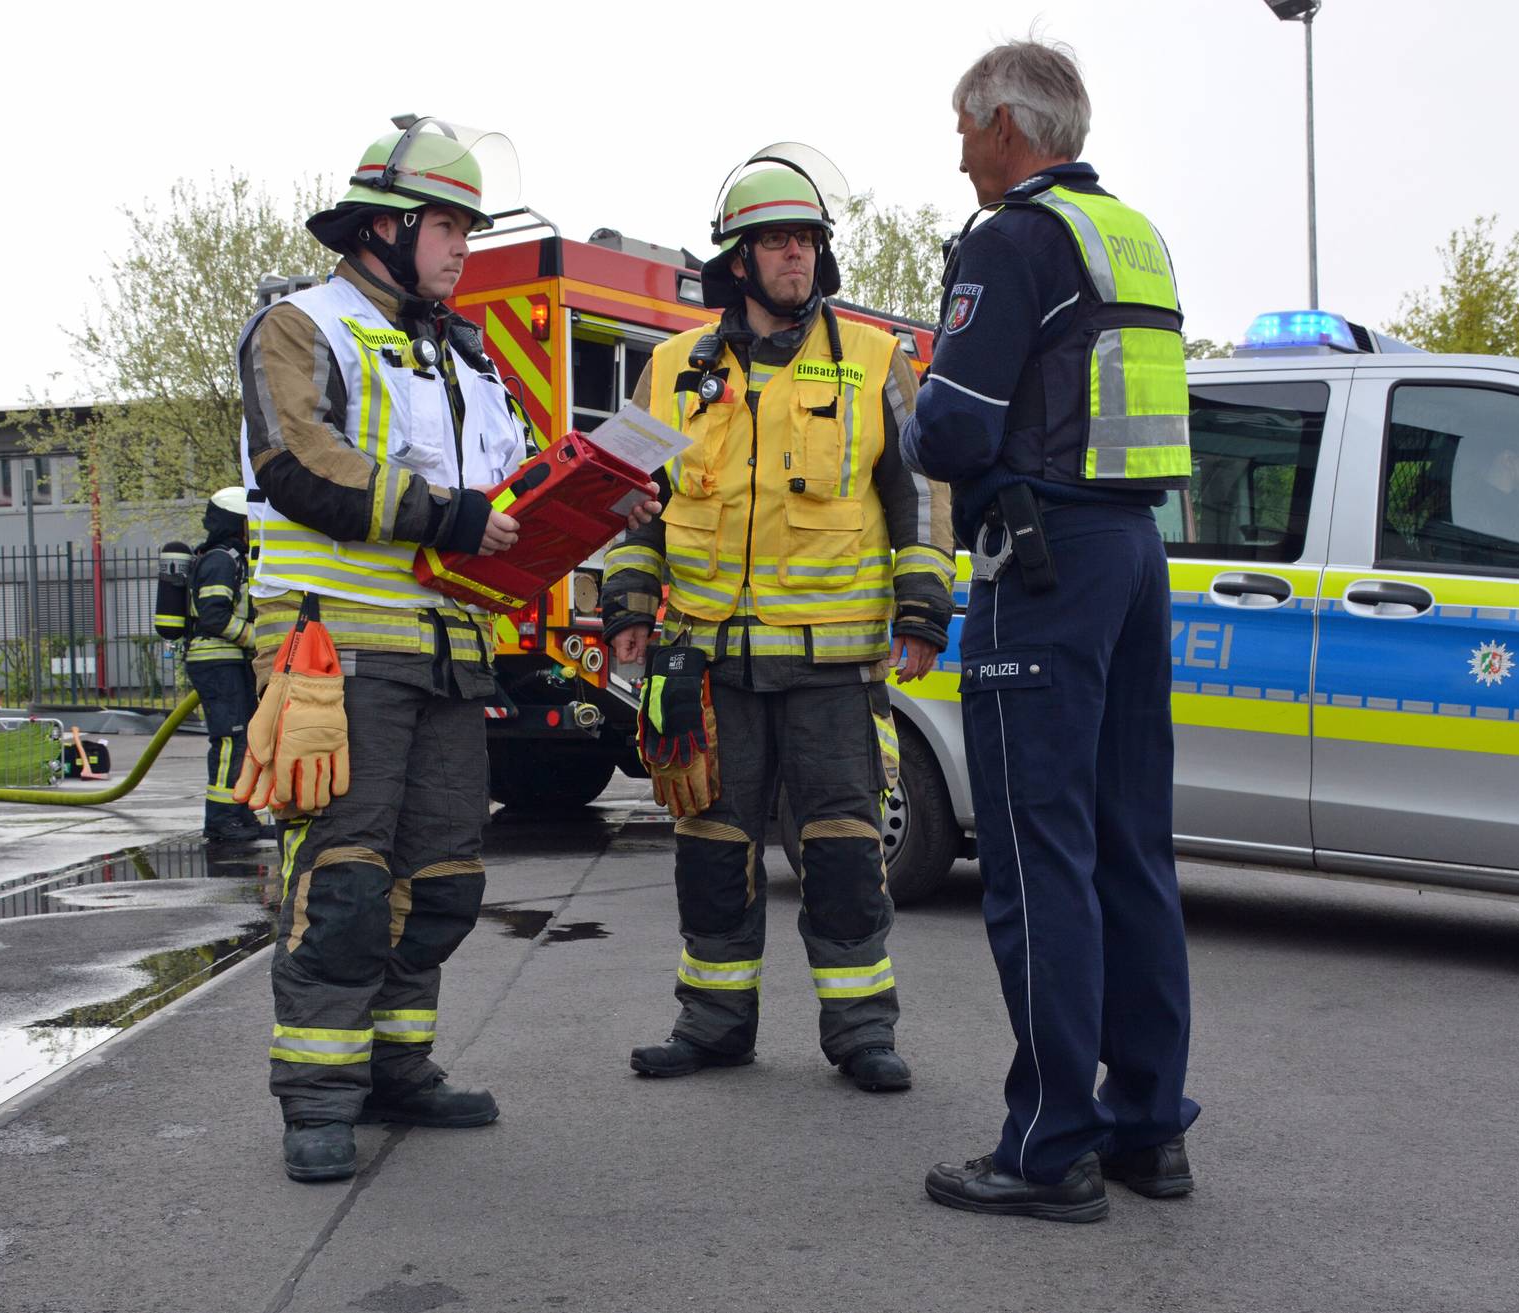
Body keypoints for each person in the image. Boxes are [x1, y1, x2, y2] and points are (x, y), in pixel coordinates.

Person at [238, 119, 658, 1182]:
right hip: (338, 655)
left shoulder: (467, 355)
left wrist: (600, 501)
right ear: (384, 226)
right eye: (447, 224)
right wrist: (446, 513)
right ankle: (320, 1099)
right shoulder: (301, 325)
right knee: (344, 877)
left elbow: (512, 495)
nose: (463, 245)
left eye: (469, 226)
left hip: (451, 656)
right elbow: (300, 460)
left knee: (445, 879)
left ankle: (397, 1068)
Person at [901, 40, 1200, 1222]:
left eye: (964, 128)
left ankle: (1048, 1145)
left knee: (1039, 857)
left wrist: (911, 408)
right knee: (1132, 847)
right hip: (1133, 554)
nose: (959, 150)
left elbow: (961, 429)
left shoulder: (1011, 236)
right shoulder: (1134, 234)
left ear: (1007, 126)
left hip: (1047, 562)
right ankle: (1145, 1128)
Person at [600, 144, 954, 1093]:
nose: (795, 256)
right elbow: (633, 500)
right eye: (776, 241)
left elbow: (919, 496)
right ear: (739, 258)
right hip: (708, 663)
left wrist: (924, 604)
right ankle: (713, 1022)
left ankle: (860, 1032)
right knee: (711, 846)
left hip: (836, 667)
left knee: (843, 849)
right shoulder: (674, 368)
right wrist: (627, 602)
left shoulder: (878, 361)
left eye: (806, 241)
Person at [184, 486, 268, 845]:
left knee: (245, 739)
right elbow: (214, 616)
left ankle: (240, 812)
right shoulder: (220, 560)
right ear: (238, 521)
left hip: (231, 662)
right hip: (217, 661)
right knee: (231, 739)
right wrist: (257, 640)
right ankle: (221, 819)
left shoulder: (233, 557)